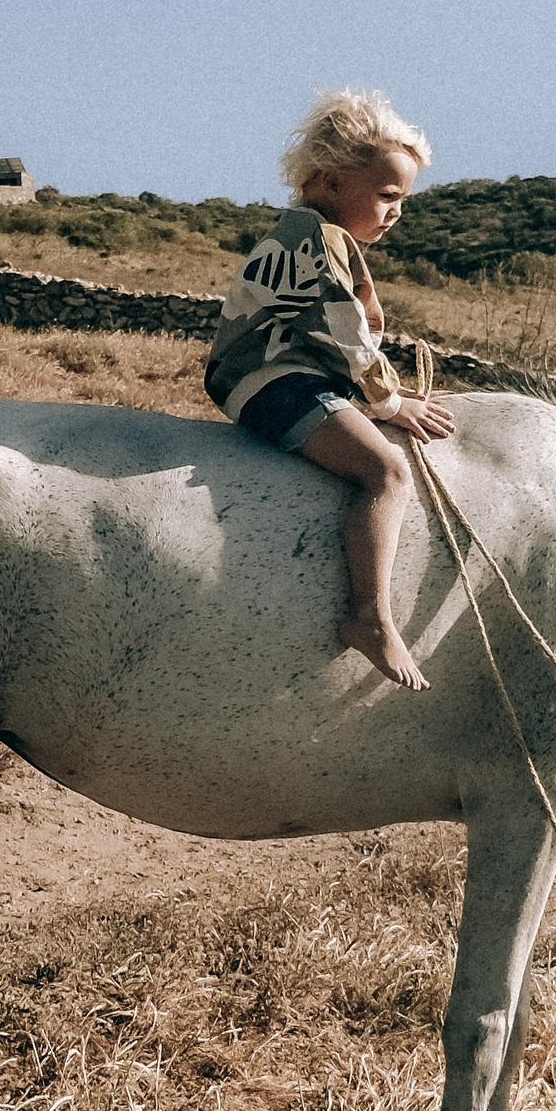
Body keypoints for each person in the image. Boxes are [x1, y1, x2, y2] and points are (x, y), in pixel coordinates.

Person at [206, 89, 457, 689]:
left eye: (404, 200)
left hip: (288, 369)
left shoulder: (315, 235)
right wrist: (393, 404)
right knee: (386, 471)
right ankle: (369, 618)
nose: (397, 211)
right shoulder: (317, 241)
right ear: (328, 182)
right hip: (270, 376)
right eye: (388, 195)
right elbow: (344, 336)